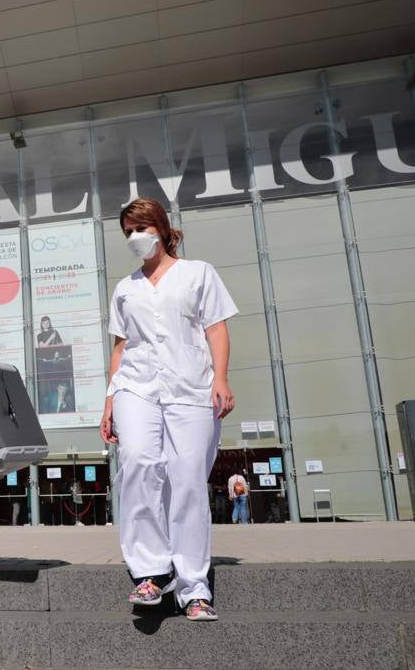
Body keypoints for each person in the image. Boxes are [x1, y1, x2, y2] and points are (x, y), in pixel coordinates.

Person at [100, 197, 238, 623]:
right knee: (138, 461)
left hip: (190, 387)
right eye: (128, 232)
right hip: (136, 387)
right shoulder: (125, 289)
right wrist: (109, 400)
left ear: (161, 228)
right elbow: (121, 346)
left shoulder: (198, 273)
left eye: (140, 228)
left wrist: (221, 379)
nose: (134, 237)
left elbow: (216, 328)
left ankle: (194, 586)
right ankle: (151, 572)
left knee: (188, 480)